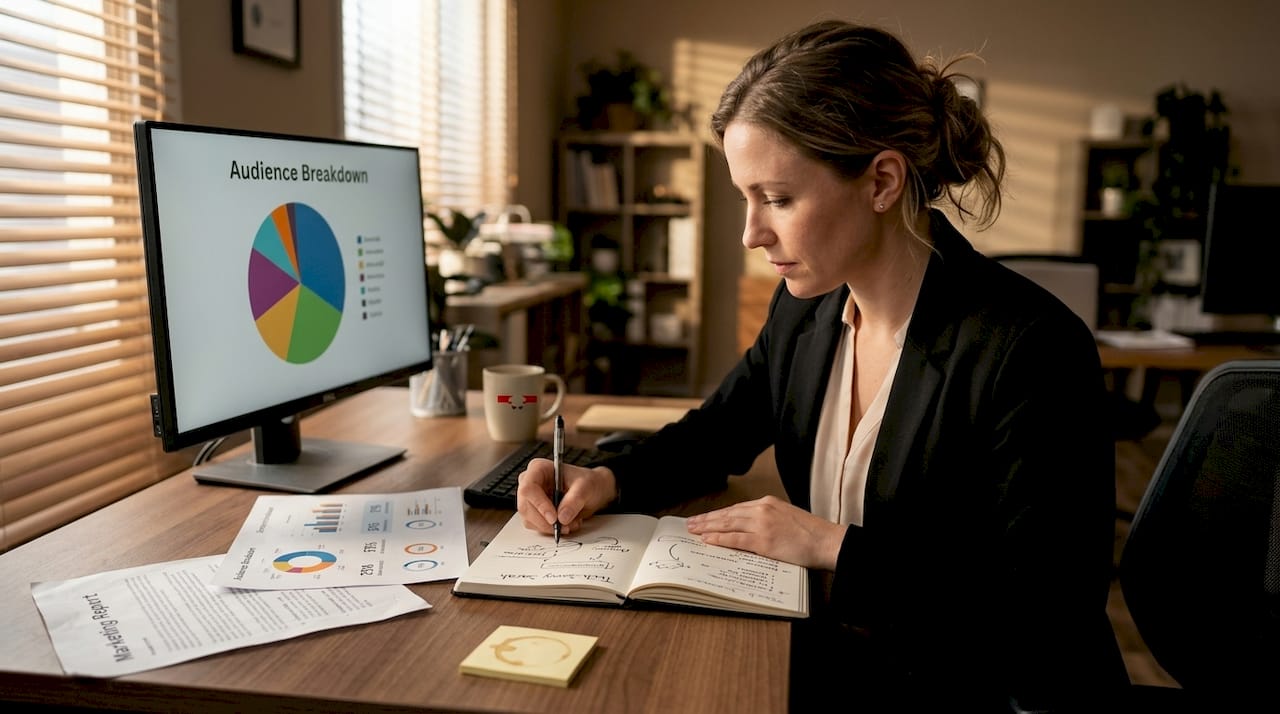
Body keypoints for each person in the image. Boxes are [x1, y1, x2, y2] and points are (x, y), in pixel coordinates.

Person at [517, 19, 1127, 711]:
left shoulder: (1031, 350)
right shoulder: (806, 309)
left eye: (777, 199)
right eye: (747, 198)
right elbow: (718, 431)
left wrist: (834, 546)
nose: (752, 234)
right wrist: (606, 478)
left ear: (882, 181)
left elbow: (1044, 613)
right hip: (845, 657)